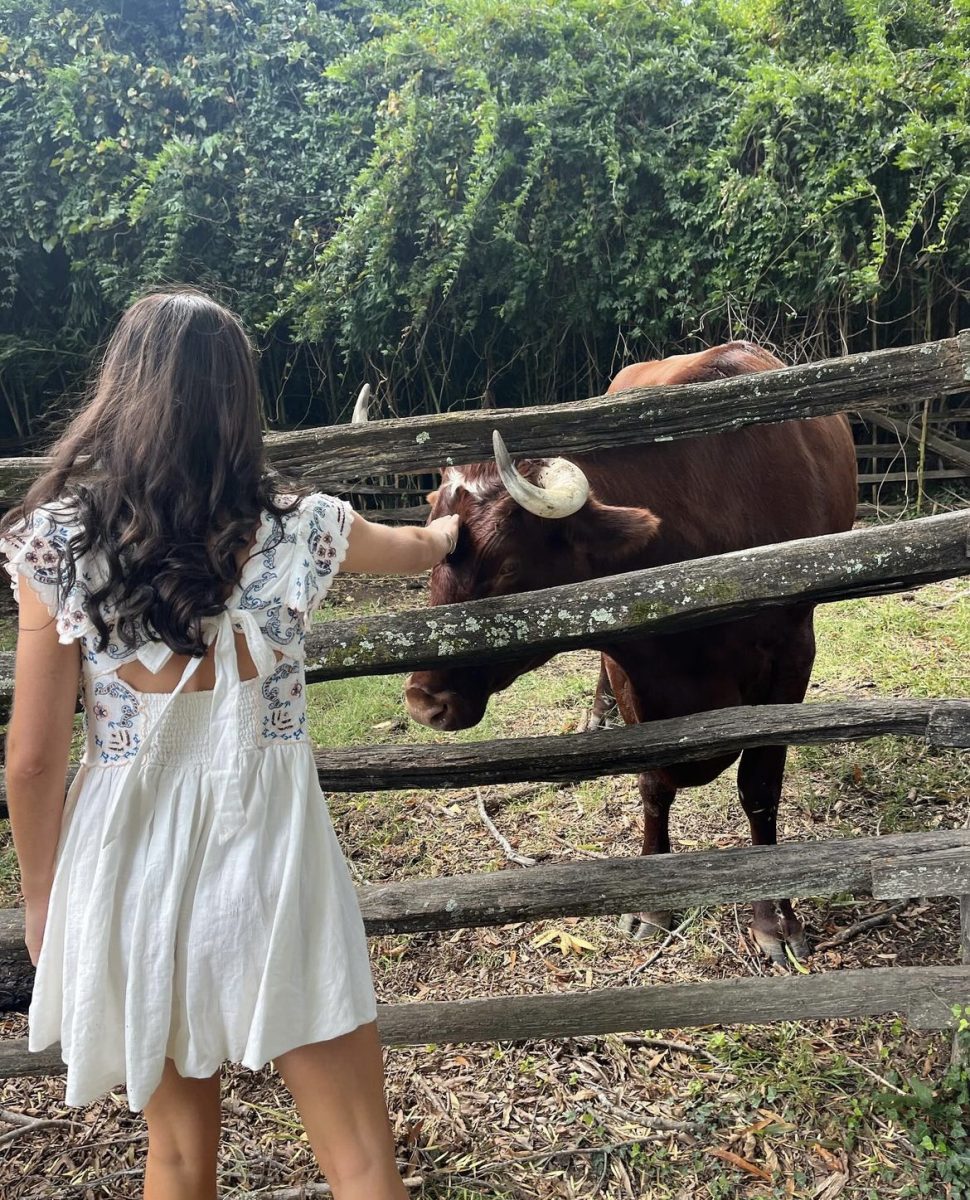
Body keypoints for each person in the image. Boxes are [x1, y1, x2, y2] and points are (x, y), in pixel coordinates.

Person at [0, 288, 460, 1200]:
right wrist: (453, 522)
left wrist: (45, 899)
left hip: (126, 876)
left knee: (174, 1158)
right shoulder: (304, 529)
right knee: (363, 1159)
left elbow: (33, 762)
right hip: (273, 866)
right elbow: (417, 548)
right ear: (238, 400)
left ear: (121, 390)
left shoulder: (61, 543)